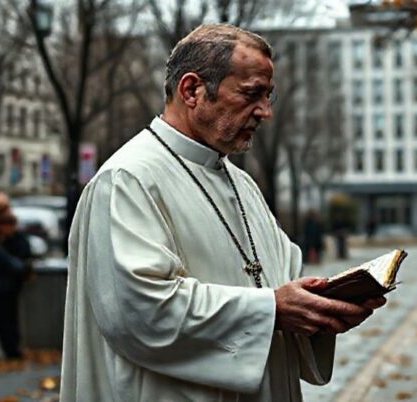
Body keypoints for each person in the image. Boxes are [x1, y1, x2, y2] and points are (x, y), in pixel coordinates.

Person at [61, 24, 385, 401]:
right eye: (252, 94)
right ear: (192, 90)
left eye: (268, 96)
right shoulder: (127, 180)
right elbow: (139, 312)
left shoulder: (240, 182)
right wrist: (272, 310)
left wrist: (324, 309)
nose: (265, 112)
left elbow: (282, 278)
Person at [0, 192, 29, 359]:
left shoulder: (18, 240)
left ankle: (12, 351)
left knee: (9, 322)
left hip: (7, 289)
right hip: (1, 288)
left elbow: (19, 266)